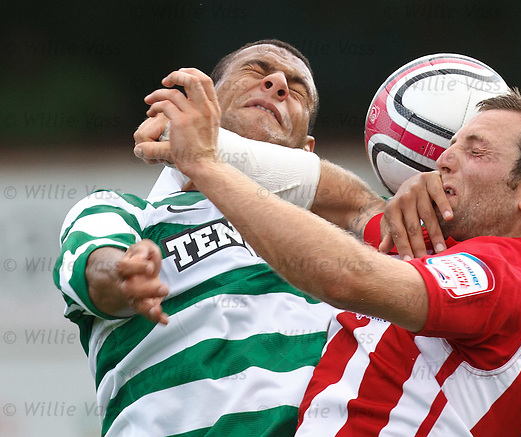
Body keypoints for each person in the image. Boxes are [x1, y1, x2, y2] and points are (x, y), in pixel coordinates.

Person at [138, 67, 521, 436]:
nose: (443, 159)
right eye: (451, 145)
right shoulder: (441, 247)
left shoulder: (519, 279)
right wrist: (205, 139)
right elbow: (348, 202)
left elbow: (346, 276)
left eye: (475, 152)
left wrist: (206, 163)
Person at [53, 39, 387, 437]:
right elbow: (97, 268)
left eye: (296, 90)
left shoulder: (337, 244)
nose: (278, 83)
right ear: (204, 104)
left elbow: (393, 230)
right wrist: (124, 274)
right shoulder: (124, 213)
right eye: (255, 71)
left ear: (306, 151)